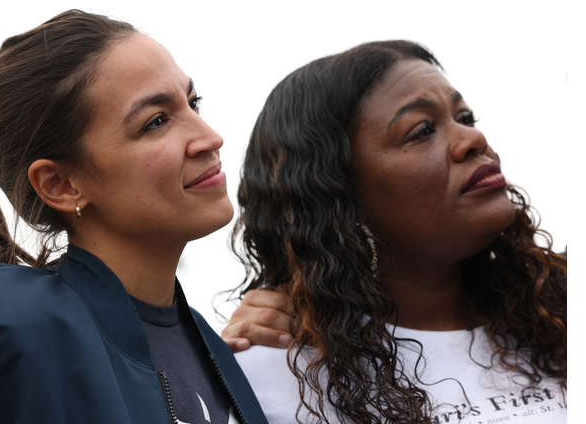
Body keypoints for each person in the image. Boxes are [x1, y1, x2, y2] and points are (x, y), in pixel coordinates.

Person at [0, 10, 266, 424]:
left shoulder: (217, 351)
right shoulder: (5, 330)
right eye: (156, 122)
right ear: (61, 185)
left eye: (194, 103)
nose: (211, 137)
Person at [221, 41, 567, 423]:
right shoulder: (270, 379)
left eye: (465, 119)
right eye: (422, 130)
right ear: (337, 195)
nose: (474, 140)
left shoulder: (567, 313)